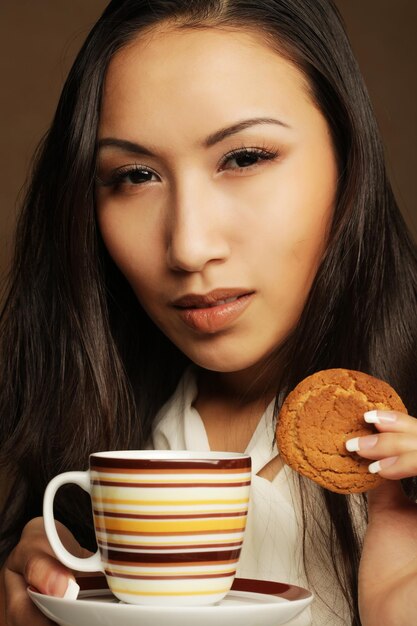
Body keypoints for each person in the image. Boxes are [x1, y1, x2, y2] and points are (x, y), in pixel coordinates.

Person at [0, 0, 416, 624]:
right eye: (135, 175)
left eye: (245, 158)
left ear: (348, 157)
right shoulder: (88, 443)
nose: (189, 245)